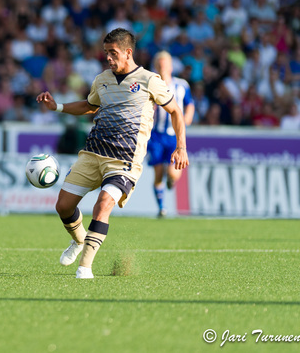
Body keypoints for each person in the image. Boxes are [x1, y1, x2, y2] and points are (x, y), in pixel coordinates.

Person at [36, 28, 189, 279]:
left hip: (124, 160)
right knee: (63, 206)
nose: (108, 57)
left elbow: (175, 112)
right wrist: (58, 106)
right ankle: (78, 241)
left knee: (103, 204)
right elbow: (89, 106)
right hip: (93, 153)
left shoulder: (150, 80)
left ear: (128, 52)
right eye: (106, 52)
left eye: (113, 53)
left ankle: (85, 268)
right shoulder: (102, 79)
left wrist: (181, 147)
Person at [147, 51, 195, 218]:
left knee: (173, 173)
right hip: (156, 135)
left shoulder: (181, 85)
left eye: (165, 64)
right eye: (159, 65)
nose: (162, 68)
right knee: (158, 172)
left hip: (174, 136)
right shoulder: (150, 84)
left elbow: (190, 104)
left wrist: (188, 117)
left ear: (171, 66)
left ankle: (171, 180)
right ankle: (162, 207)